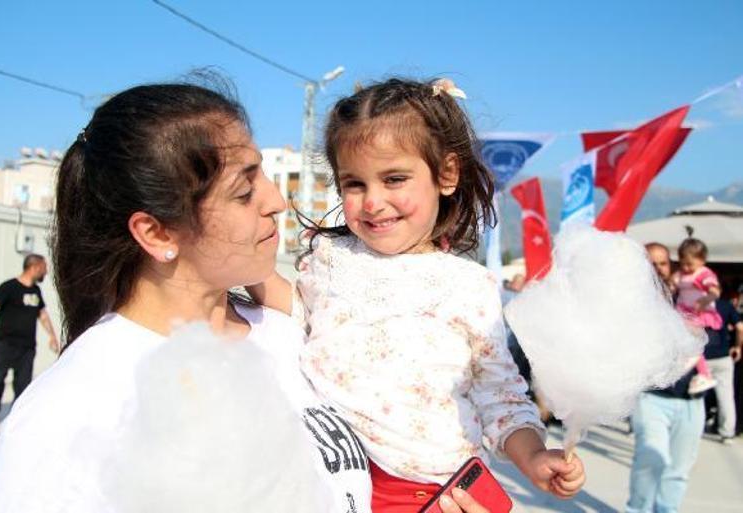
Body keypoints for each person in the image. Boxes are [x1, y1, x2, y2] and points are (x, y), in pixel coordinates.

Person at [0, 81, 491, 513]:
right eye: (244, 193)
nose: (275, 202)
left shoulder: (294, 334)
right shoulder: (75, 407)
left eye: (264, 176)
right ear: (158, 234)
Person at [248, 78, 585, 512]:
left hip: (432, 493)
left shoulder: (468, 287)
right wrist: (239, 268)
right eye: (354, 184)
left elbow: (498, 397)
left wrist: (535, 457)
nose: (372, 202)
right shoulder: (330, 258)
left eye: (394, 179)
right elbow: (295, 314)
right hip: (330, 473)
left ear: (446, 174)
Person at [625, 242, 705, 513]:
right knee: (652, 459)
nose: (658, 269)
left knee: (679, 469)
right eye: (651, 263)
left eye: (663, 263)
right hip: (652, 397)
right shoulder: (631, 303)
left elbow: (714, 339)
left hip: (692, 399)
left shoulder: (690, 295)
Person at [0, 254, 58, 445]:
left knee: (22, 388)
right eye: (44, 267)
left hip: (26, 349)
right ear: (34, 267)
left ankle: (15, 426)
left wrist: (52, 335)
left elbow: (42, 315)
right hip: (4, 346)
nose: (46, 271)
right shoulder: (8, 287)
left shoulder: (36, 291)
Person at [672, 237, 722, 395]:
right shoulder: (680, 274)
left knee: (693, 344)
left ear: (702, 260)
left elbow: (715, 291)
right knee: (685, 340)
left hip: (699, 312)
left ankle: (704, 374)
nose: (685, 267)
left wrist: (706, 299)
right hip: (684, 312)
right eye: (682, 263)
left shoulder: (704, 274)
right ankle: (698, 369)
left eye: (689, 264)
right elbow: (672, 285)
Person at [707, 291, 742, 443]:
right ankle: (727, 432)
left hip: (701, 357)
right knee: (726, 396)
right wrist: (737, 347)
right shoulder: (726, 305)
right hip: (722, 356)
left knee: (694, 395)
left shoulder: (693, 303)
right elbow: (740, 328)